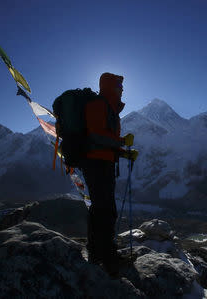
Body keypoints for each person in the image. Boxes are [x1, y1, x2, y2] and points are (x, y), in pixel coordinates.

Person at [81, 72, 138, 276]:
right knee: (104, 209)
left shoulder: (110, 109)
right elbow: (96, 137)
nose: (122, 90)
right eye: (119, 87)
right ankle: (106, 256)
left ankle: (98, 252)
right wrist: (122, 143)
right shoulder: (99, 106)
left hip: (103, 163)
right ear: (110, 87)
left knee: (102, 208)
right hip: (96, 164)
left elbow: (105, 142)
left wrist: (124, 154)